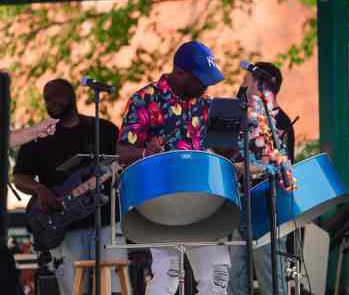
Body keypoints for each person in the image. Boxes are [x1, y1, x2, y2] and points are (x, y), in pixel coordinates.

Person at [117, 41, 230, 295]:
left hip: (202, 198)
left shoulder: (206, 105)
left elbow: (224, 153)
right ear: (180, 72)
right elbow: (122, 152)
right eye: (200, 80)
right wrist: (146, 153)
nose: (206, 86)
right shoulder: (145, 100)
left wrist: (237, 133)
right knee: (169, 274)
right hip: (161, 199)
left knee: (217, 275)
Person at [13, 78, 126, 295]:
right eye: (47, 98)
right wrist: (40, 189)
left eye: (56, 96)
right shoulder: (40, 136)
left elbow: (123, 161)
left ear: (72, 96)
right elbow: (19, 176)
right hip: (63, 228)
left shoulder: (103, 129)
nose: (51, 102)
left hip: (107, 224)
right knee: (73, 290)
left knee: (112, 288)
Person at [228, 62, 295, 295]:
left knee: (270, 278)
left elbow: (279, 166)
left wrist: (242, 168)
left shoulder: (280, 122)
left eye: (246, 80)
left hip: (268, 210)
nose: (242, 84)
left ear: (260, 85)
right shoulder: (244, 118)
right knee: (235, 279)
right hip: (242, 207)